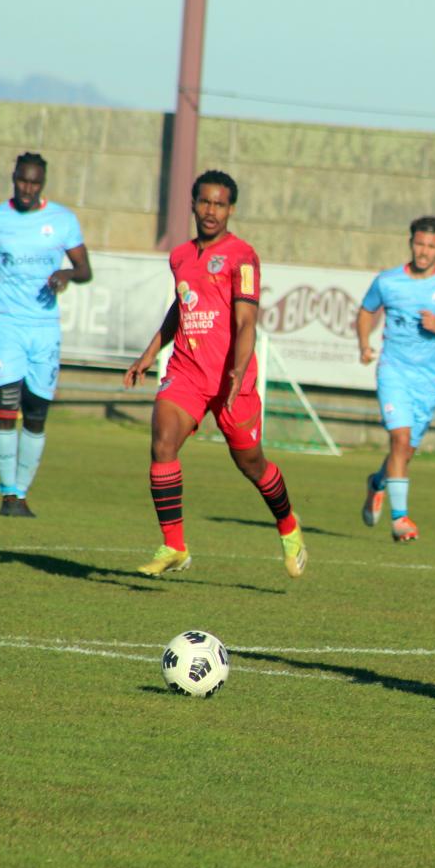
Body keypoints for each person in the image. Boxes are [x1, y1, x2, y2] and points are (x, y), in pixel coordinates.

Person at [124, 169, 306, 578]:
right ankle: (174, 545)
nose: (211, 210)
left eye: (220, 204)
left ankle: (289, 526)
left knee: (252, 464)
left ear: (231, 209)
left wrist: (239, 370)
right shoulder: (181, 256)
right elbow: (181, 306)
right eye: (205, 201)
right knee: (162, 442)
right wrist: (149, 353)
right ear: (192, 203)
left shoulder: (242, 257)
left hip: (229, 380)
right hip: (186, 372)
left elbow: (246, 322)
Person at [0, 152, 92, 517]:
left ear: (42, 184)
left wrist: (66, 275)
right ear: (13, 177)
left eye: (34, 183)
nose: (27, 188)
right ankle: (7, 496)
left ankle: (21, 493)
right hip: (6, 323)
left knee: (36, 415)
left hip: (44, 328)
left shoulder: (63, 221)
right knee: (6, 405)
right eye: (22, 181)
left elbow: (84, 269)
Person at [356, 216, 435, 542]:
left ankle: (377, 484)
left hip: (428, 381)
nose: (424, 251)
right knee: (398, 441)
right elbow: (367, 310)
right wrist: (364, 344)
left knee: (405, 453)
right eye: (419, 244)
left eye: (431, 246)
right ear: (410, 242)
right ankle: (400, 519)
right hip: (393, 371)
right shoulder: (388, 281)